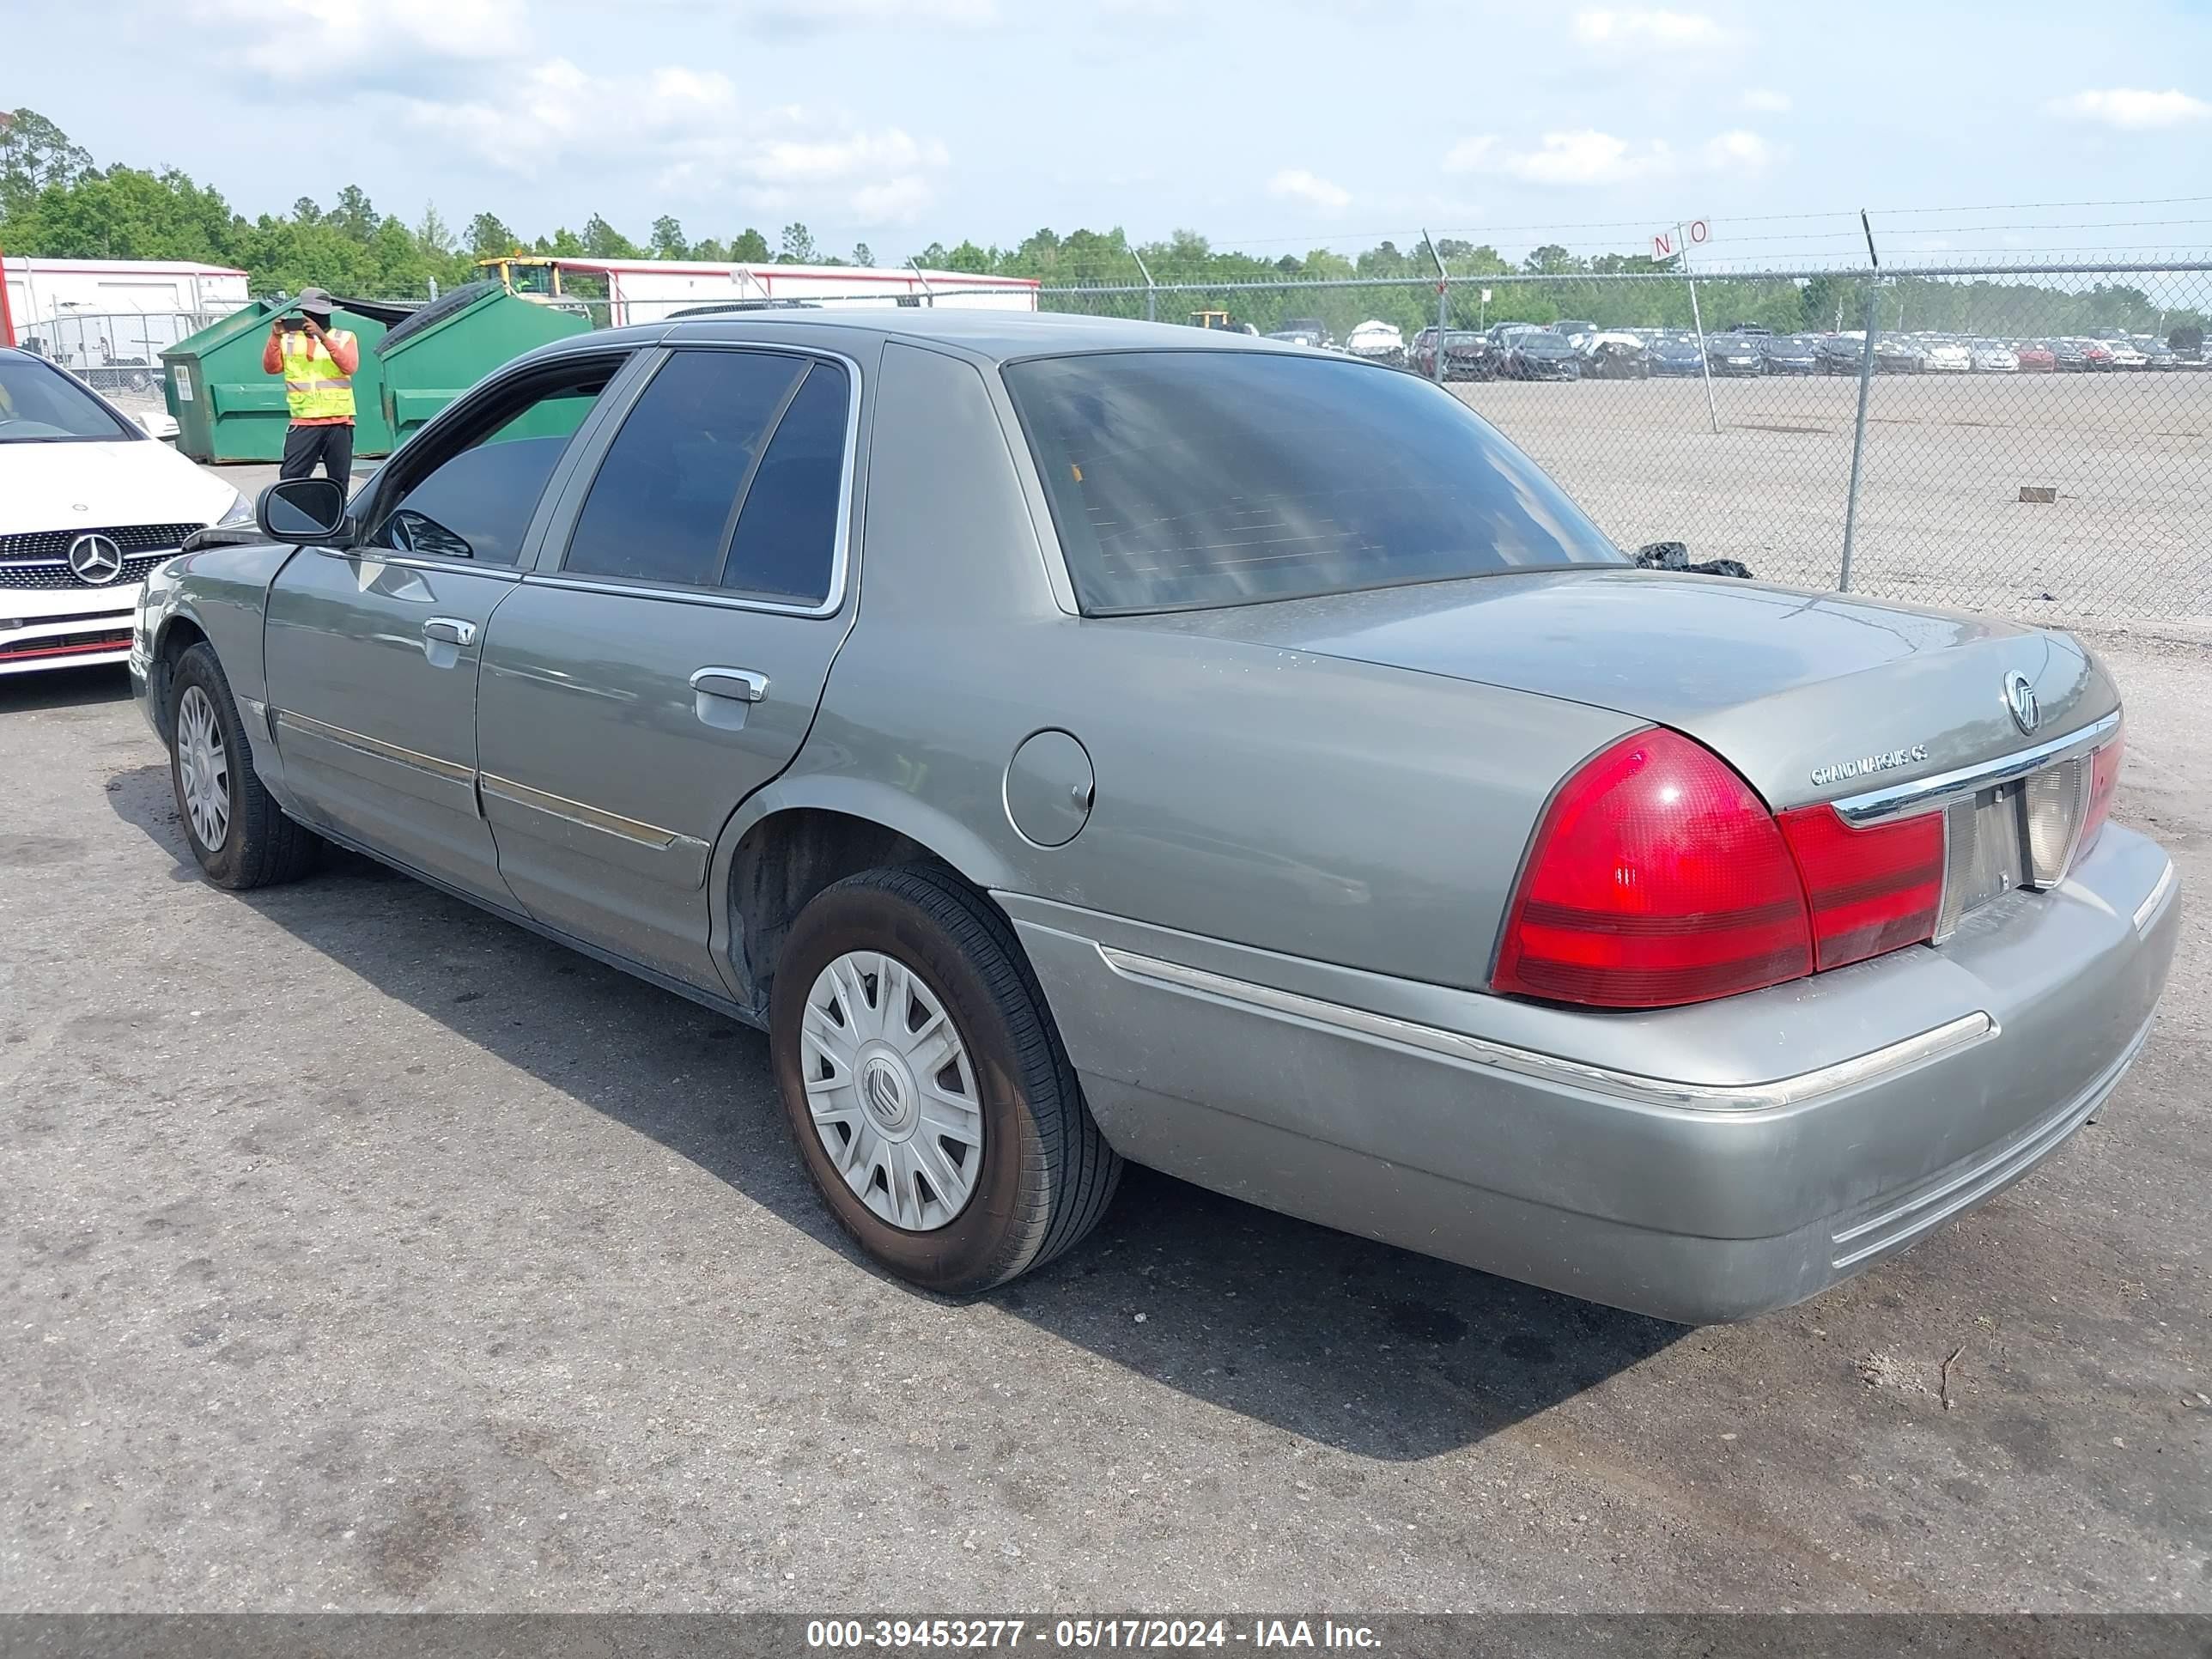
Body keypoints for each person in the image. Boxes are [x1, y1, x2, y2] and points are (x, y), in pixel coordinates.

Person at [262, 288, 360, 483]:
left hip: (339, 420)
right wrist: (275, 336)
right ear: (304, 314)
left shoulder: (345, 337)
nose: (316, 319)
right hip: (304, 421)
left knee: (339, 479)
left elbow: (349, 366)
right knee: (291, 478)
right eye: (312, 314)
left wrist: (323, 338)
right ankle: (293, 513)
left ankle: (337, 513)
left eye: (321, 315)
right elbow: (271, 368)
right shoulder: (288, 340)